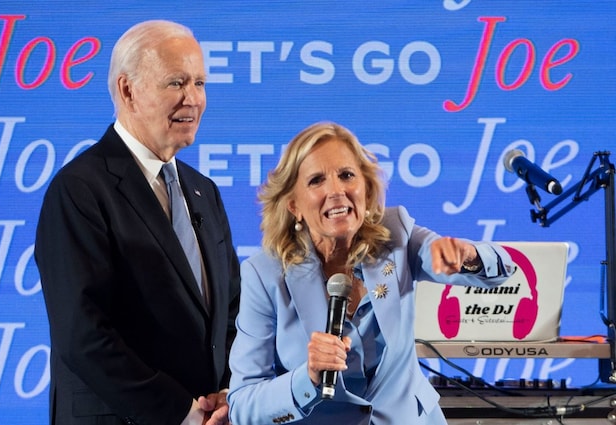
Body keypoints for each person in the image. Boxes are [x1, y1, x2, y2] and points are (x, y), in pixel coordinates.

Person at [226, 121, 516, 424]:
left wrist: (467, 256)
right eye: (316, 181)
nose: (336, 191)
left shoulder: (396, 235)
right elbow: (242, 405)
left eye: (346, 175)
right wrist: (306, 378)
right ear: (294, 206)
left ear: (365, 187)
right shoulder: (265, 274)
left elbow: (502, 269)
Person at [34, 20, 240, 425]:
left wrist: (232, 395)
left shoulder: (205, 192)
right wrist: (182, 413)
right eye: (177, 83)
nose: (194, 99)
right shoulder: (80, 189)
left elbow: (232, 313)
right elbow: (83, 333)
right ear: (128, 90)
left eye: (200, 83)